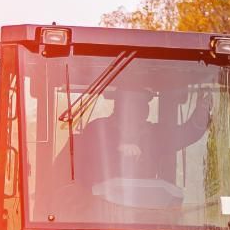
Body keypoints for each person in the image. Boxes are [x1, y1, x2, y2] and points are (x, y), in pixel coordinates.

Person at [69, 79, 214, 189]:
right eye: (135, 103)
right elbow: (88, 147)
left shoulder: (154, 134)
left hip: (144, 210)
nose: (143, 108)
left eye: (144, 103)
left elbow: (184, 135)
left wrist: (202, 111)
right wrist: (118, 147)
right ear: (119, 105)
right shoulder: (97, 128)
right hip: (101, 208)